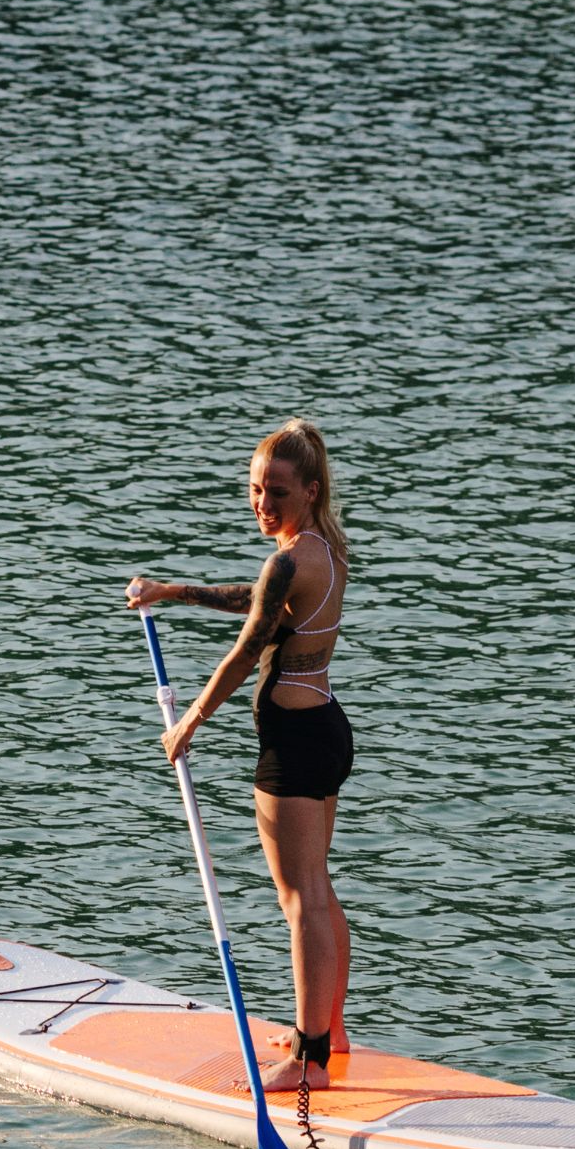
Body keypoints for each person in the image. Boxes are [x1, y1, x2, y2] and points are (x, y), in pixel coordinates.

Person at [125, 420, 355, 1089]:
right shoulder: (322, 547)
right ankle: (329, 1030)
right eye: (255, 489)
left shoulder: (289, 557)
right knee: (318, 890)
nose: (263, 504)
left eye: (277, 492)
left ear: (309, 491)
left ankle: (309, 1061)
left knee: (300, 898)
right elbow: (257, 603)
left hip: (294, 747)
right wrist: (176, 592)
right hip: (326, 732)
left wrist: (190, 720)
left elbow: (249, 646)